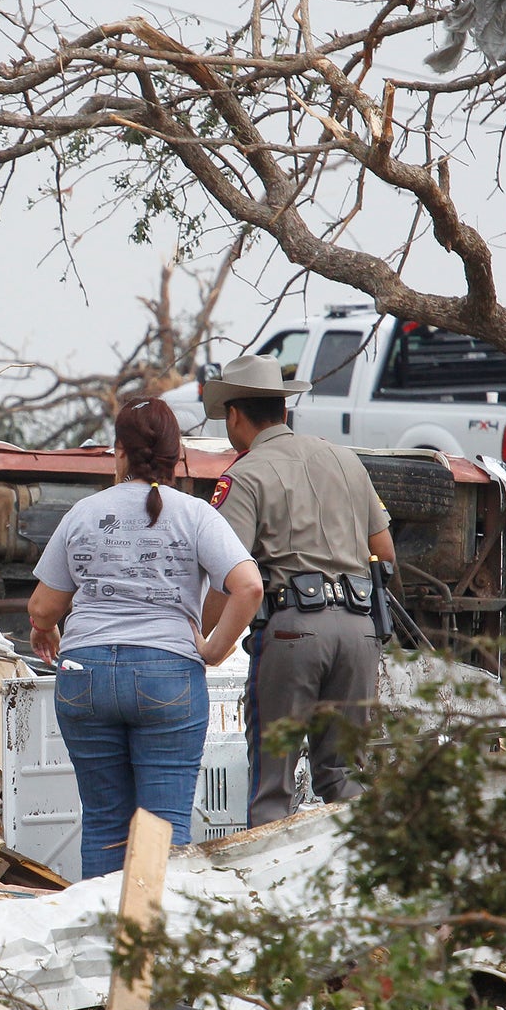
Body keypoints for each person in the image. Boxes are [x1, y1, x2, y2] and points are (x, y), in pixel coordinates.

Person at [27, 398, 263, 875]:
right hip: (167, 674)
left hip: (84, 673)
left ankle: (101, 941)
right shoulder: (195, 515)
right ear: (178, 457)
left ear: (118, 452)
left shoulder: (84, 512)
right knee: (164, 828)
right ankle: (156, 944)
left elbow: (42, 607)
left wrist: (46, 629)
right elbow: (249, 586)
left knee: (104, 826)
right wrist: (215, 649)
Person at [199, 354, 396, 828]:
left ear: (233, 415)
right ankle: (358, 882)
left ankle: (267, 896)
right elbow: (385, 553)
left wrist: (204, 640)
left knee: (274, 782)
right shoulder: (346, 460)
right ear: (283, 411)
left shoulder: (243, 476)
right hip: (358, 632)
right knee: (344, 774)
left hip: (292, 635)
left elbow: (231, 574)